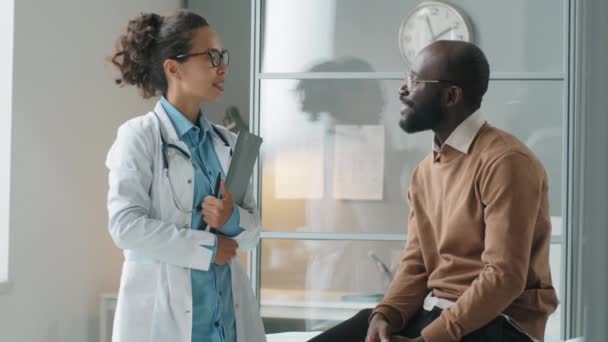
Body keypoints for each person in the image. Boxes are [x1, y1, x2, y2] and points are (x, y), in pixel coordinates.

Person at [309, 40, 558, 342]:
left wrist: (430, 339)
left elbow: (504, 278)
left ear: (451, 96)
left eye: (414, 81)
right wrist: (386, 313)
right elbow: (416, 263)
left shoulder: (506, 161)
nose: (402, 90)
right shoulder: (424, 171)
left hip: (501, 323)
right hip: (439, 313)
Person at [106, 10, 265, 342]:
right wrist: (206, 248)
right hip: (167, 323)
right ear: (173, 67)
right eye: (211, 57)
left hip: (228, 322)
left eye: (223, 56)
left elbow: (251, 233)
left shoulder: (229, 143)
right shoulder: (140, 136)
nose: (223, 67)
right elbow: (125, 226)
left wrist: (231, 217)